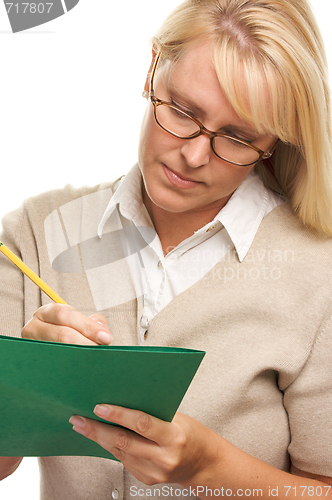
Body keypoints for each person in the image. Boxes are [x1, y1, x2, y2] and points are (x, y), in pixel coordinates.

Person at [1, 0, 332, 498]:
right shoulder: (34, 232)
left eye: (238, 137)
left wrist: (211, 467)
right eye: (182, 111)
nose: (194, 155)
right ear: (153, 65)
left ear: (273, 142)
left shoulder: (318, 272)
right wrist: (22, 383)